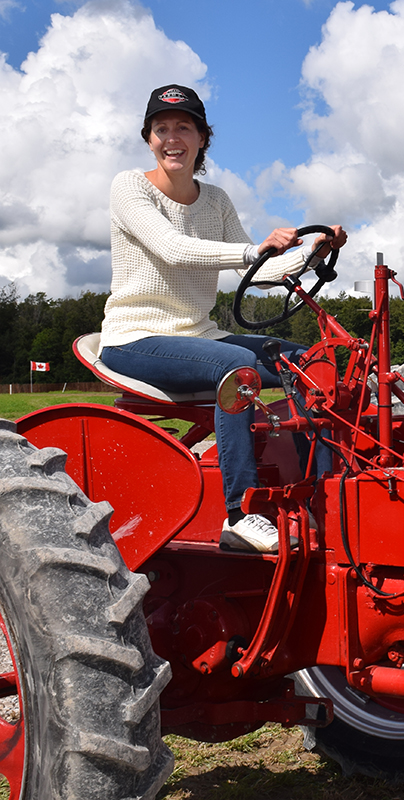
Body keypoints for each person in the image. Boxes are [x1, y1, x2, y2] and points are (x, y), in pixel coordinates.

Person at [99, 84, 347, 553]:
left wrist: (314, 252)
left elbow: (258, 269)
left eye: (184, 127)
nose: (172, 137)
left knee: (312, 364)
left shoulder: (215, 200)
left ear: (201, 138)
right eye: (161, 128)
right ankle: (241, 514)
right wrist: (256, 249)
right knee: (235, 366)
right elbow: (174, 249)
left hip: (200, 334)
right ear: (149, 138)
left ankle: (325, 498)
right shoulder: (129, 187)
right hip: (136, 338)